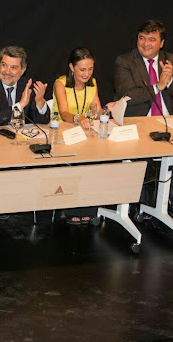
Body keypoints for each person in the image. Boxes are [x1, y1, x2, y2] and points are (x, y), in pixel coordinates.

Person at [114, 19, 173, 218]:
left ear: (161, 43)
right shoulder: (125, 61)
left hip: (167, 121)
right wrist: (158, 86)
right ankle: (139, 202)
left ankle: (172, 197)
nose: (145, 43)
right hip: (137, 122)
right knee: (140, 155)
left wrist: (170, 82)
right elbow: (128, 94)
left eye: (152, 39)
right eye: (142, 38)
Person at [53, 47, 114, 224]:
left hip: (85, 133)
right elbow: (64, 113)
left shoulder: (92, 83)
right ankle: (71, 207)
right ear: (72, 67)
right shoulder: (60, 83)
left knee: (96, 159)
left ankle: (90, 206)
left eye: (90, 69)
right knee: (75, 161)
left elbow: (97, 110)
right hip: (63, 133)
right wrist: (78, 118)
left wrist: (109, 108)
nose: (87, 74)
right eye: (82, 69)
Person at [0, 45, 50, 127]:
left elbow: (42, 122)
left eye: (13, 67)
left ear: (22, 70)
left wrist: (40, 101)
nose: (7, 71)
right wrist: (20, 105)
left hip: (17, 134)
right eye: (4, 65)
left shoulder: (27, 86)